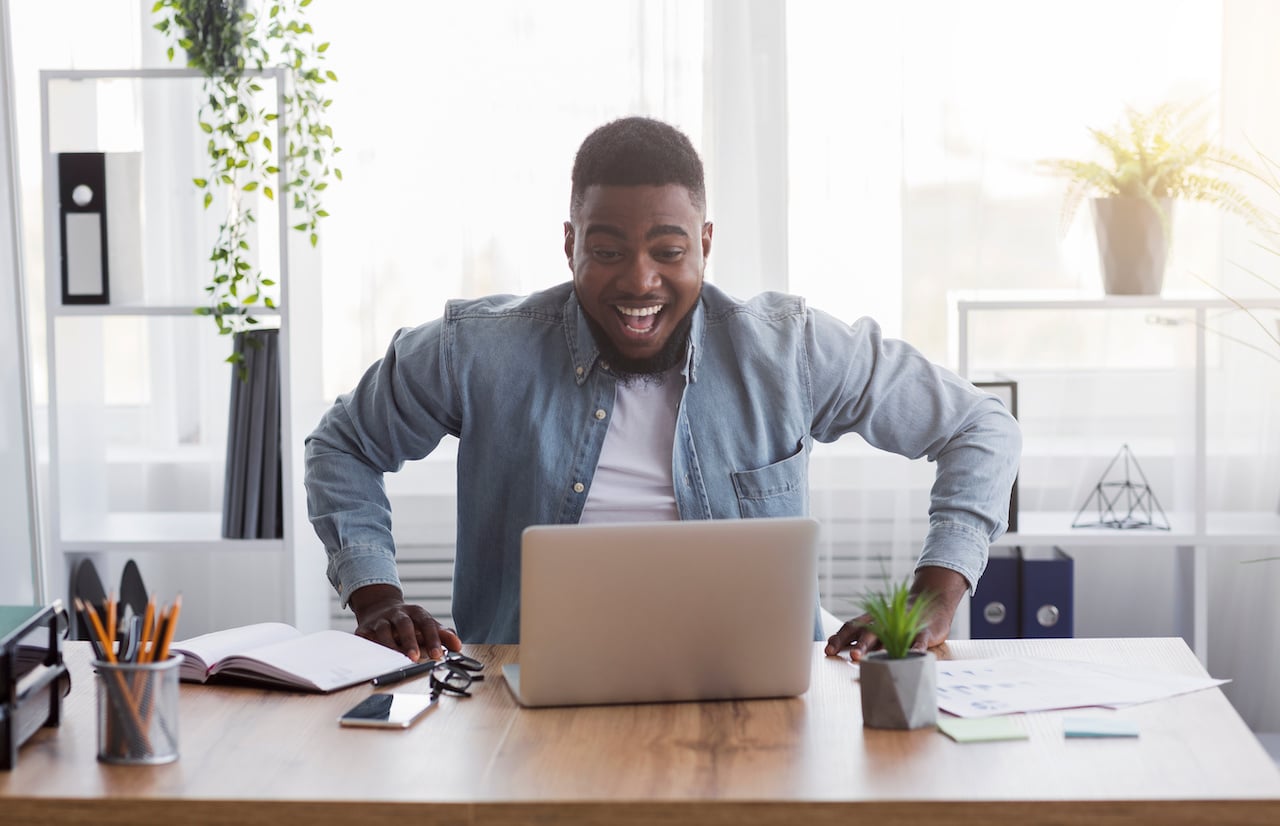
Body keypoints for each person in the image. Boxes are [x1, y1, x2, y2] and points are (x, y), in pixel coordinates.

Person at [304, 116, 1021, 665]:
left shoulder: (788, 350)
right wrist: (377, 597)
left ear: (705, 243)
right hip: (521, 694)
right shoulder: (481, 350)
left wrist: (936, 595)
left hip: (758, 696)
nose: (640, 281)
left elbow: (981, 427)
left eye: (669, 252)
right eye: (608, 250)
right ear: (570, 244)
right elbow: (342, 445)